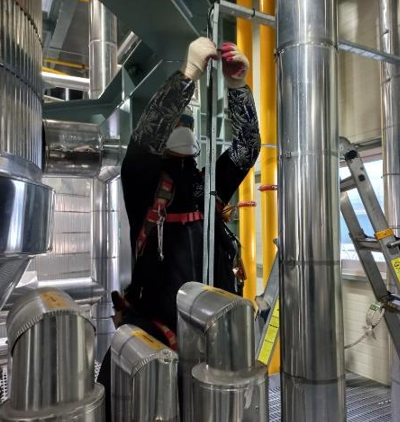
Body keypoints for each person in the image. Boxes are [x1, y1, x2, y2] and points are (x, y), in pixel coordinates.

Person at [97, 37, 260, 418]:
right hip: (155, 337)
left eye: (188, 122)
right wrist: (187, 76)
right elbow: (144, 143)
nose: (183, 127)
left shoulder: (207, 185)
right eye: (176, 122)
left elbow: (247, 148)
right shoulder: (142, 183)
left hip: (214, 334)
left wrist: (237, 87)